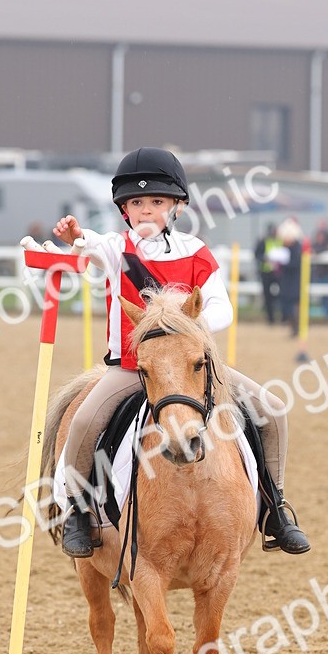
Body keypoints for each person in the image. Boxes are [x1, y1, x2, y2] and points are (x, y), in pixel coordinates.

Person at [51, 147, 310, 560]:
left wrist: (193, 329)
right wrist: (75, 237)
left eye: (157, 201)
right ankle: (80, 513)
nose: (147, 210)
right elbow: (92, 245)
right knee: (83, 421)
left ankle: (275, 508)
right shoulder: (118, 248)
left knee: (273, 410)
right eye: (137, 203)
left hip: (194, 368)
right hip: (134, 369)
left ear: (177, 206)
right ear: (124, 210)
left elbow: (221, 305)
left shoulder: (196, 251)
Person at [276, 217, 303, 337]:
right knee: (288, 303)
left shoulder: (297, 248)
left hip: (295, 280)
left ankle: (297, 328)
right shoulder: (287, 248)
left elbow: (295, 263)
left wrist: (284, 264)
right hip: (288, 280)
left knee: (294, 304)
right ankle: (293, 327)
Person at [311, 219, 328, 319]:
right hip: (317, 273)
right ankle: (324, 313)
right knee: (319, 295)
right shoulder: (316, 243)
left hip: (326, 273)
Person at [254, 223, 279, 324]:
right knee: (267, 296)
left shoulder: (280, 240)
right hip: (266, 272)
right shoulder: (263, 241)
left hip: (278, 273)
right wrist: (265, 259)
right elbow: (257, 255)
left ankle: (282, 317)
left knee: (280, 295)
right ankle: (270, 319)